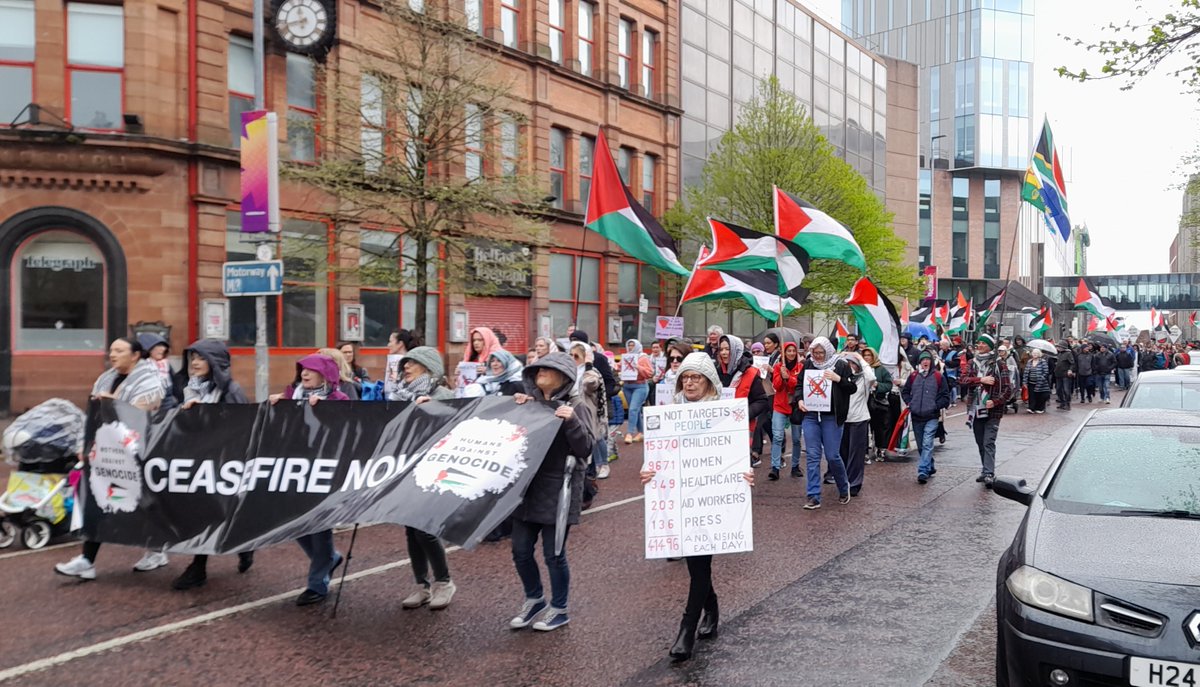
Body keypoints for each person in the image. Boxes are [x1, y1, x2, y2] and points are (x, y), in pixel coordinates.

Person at [640, 352, 754, 662]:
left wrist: (744, 474)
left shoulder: (722, 415)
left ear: (708, 382)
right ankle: (712, 610)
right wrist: (648, 471)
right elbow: (656, 458)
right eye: (685, 378)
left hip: (711, 501)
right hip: (682, 501)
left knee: (699, 564)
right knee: (696, 565)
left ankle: (686, 629)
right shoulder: (669, 415)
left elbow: (734, 456)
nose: (689, 383)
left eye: (696, 377)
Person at [55, 337, 168, 580]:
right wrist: (81, 445)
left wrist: (111, 402)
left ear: (136, 355)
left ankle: (157, 550)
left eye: (119, 350)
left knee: (145, 503)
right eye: (111, 350)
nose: (113, 355)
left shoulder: (152, 379)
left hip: (141, 450)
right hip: (106, 450)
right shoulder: (106, 377)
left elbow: (142, 410)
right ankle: (87, 560)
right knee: (97, 499)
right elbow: (92, 413)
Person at [508, 352, 594, 632]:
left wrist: (571, 421)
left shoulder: (576, 405)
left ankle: (559, 608)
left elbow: (586, 449)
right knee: (520, 550)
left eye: (548, 369)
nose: (540, 373)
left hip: (559, 488)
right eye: (537, 369)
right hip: (527, 488)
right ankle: (534, 598)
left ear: (564, 376)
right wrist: (516, 411)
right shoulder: (529, 403)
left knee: (553, 553)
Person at [171, 339, 255, 590]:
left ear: (216, 363)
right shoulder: (187, 388)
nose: (195, 363)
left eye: (201, 358)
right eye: (192, 358)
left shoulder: (230, 391)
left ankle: (244, 545)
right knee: (201, 512)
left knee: (223, 512)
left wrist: (206, 413)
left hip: (223, 462)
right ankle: (198, 567)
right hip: (196, 459)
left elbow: (239, 426)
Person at [269, 354, 348, 606]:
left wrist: (327, 411)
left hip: (324, 469)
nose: (304, 373)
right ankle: (328, 559)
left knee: (318, 523)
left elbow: (350, 430)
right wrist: (275, 406)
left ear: (325, 374)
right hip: (294, 467)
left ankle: (317, 584)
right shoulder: (290, 395)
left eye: (311, 369)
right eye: (302, 369)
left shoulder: (339, 399)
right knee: (291, 521)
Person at [387, 346, 459, 610]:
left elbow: (454, 424)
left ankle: (444, 582)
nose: (406, 367)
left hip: (432, 468)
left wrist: (434, 409)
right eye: (405, 363)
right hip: (405, 466)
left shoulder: (443, 394)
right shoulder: (399, 393)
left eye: (412, 363)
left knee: (426, 530)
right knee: (410, 529)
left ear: (428, 367)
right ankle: (421, 585)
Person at [793, 336, 853, 510]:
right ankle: (813, 496)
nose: (818, 356)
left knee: (833, 455)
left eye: (821, 352)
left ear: (828, 351)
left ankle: (843, 486)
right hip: (811, 415)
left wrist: (838, 379)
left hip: (831, 416)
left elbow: (852, 388)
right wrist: (800, 400)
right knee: (812, 456)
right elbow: (799, 385)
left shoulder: (840, 365)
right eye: (814, 352)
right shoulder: (808, 364)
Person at [959, 334, 1015, 487]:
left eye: (984, 343)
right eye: (979, 343)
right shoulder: (972, 363)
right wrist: (980, 380)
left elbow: (1007, 389)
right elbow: (963, 380)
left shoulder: (999, 364)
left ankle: (989, 473)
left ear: (990, 346)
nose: (980, 345)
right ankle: (985, 470)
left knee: (988, 441)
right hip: (975, 409)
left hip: (992, 411)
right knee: (980, 442)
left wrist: (995, 401)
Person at [715, 335, 770, 468]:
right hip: (720, 428)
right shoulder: (716, 372)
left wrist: (744, 414)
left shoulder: (751, 373)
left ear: (736, 350)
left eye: (727, 349)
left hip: (742, 427)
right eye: (721, 349)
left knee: (739, 468)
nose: (723, 353)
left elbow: (762, 401)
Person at [901, 350, 951, 484]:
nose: (925, 362)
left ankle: (922, 470)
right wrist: (910, 403)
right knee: (921, 446)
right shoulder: (913, 376)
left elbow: (946, 396)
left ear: (931, 362)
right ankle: (930, 465)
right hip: (916, 416)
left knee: (927, 443)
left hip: (931, 416)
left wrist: (935, 406)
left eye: (927, 359)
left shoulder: (938, 377)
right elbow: (905, 392)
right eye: (922, 360)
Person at [768, 342, 802, 481]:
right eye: (789, 350)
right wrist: (781, 377)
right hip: (780, 405)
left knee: (796, 439)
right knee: (777, 437)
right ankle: (775, 467)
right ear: (784, 352)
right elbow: (776, 386)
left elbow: (799, 386)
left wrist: (790, 378)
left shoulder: (801, 367)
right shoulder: (778, 367)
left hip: (795, 406)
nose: (791, 353)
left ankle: (795, 466)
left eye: (794, 350)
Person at [839, 352, 871, 497]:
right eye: (848, 364)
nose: (850, 367)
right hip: (843, 420)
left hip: (859, 419)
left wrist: (860, 358)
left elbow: (872, 376)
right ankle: (843, 480)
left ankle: (855, 483)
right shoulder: (841, 380)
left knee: (856, 453)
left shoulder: (864, 379)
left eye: (853, 364)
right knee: (842, 452)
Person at [860, 347, 893, 463]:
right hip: (862, 402)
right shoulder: (859, 369)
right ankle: (863, 452)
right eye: (865, 355)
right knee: (863, 428)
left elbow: (889, 385)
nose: (867, 357)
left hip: (877, 402)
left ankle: (880, 449)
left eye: (869, 355)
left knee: (878, 428)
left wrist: (878, 385)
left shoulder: (881, 370)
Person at [619, 339, 654, 444]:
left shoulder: (643, 357)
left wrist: (638, 367)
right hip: (627, 386)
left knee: (633, 409)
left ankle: (629, 433)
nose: (630, 347)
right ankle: (641, 432)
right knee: (635, 410)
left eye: (632, 345)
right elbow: (619, 367)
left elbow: (650, 373)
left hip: (640, 386)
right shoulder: (626, 357)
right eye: (629, 345)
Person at [138, 332, 180, 409]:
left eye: (164, 346)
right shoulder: (140, 367)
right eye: (158, 346)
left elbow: (176, 388)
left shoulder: (166, 365)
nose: (162, 349)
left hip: (169, 409)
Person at [1023, 349, 1052, 414]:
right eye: (1033, 353)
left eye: (1036, 353)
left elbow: (1046, 372)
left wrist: (1041, 378)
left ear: (1039, 354)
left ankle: (1040, 408)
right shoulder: (1029, 361)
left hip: (1040, 382)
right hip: (1031, 382)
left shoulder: (1043, 361)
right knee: (1031, 396)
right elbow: (1026, 372)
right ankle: (1031, 408)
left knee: (1039, 395)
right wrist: (1024, 382)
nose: (1034, 354)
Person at [1054, 341, 1076, 410]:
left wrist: (1070, 370)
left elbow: (1072, 363)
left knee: (1066, 390)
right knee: (1058, 390)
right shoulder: (1058, 354)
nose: (1058, 348)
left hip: (1065, 374)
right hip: (1058, 374)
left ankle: (1067, 404)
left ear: (1063, 347)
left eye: (1059, 346)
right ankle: (1062, 402)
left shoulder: (1068, 354)